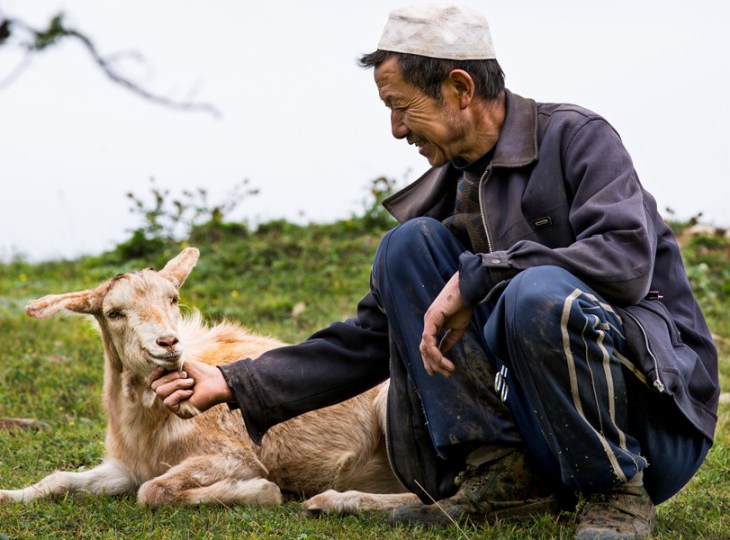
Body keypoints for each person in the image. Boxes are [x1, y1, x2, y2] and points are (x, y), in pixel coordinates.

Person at [150, 4, 720, 539]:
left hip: (653, 430)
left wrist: (482, 276)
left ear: (458, 88)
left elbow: (624, 258)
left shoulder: (578, 138)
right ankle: (500, 479)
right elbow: (371, 340)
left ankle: (614, 492)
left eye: (401, 107)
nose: (397, 129)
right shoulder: (448, 193)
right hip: (545, 436)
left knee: (535, 293)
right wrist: (236, 382)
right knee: (406, 246)